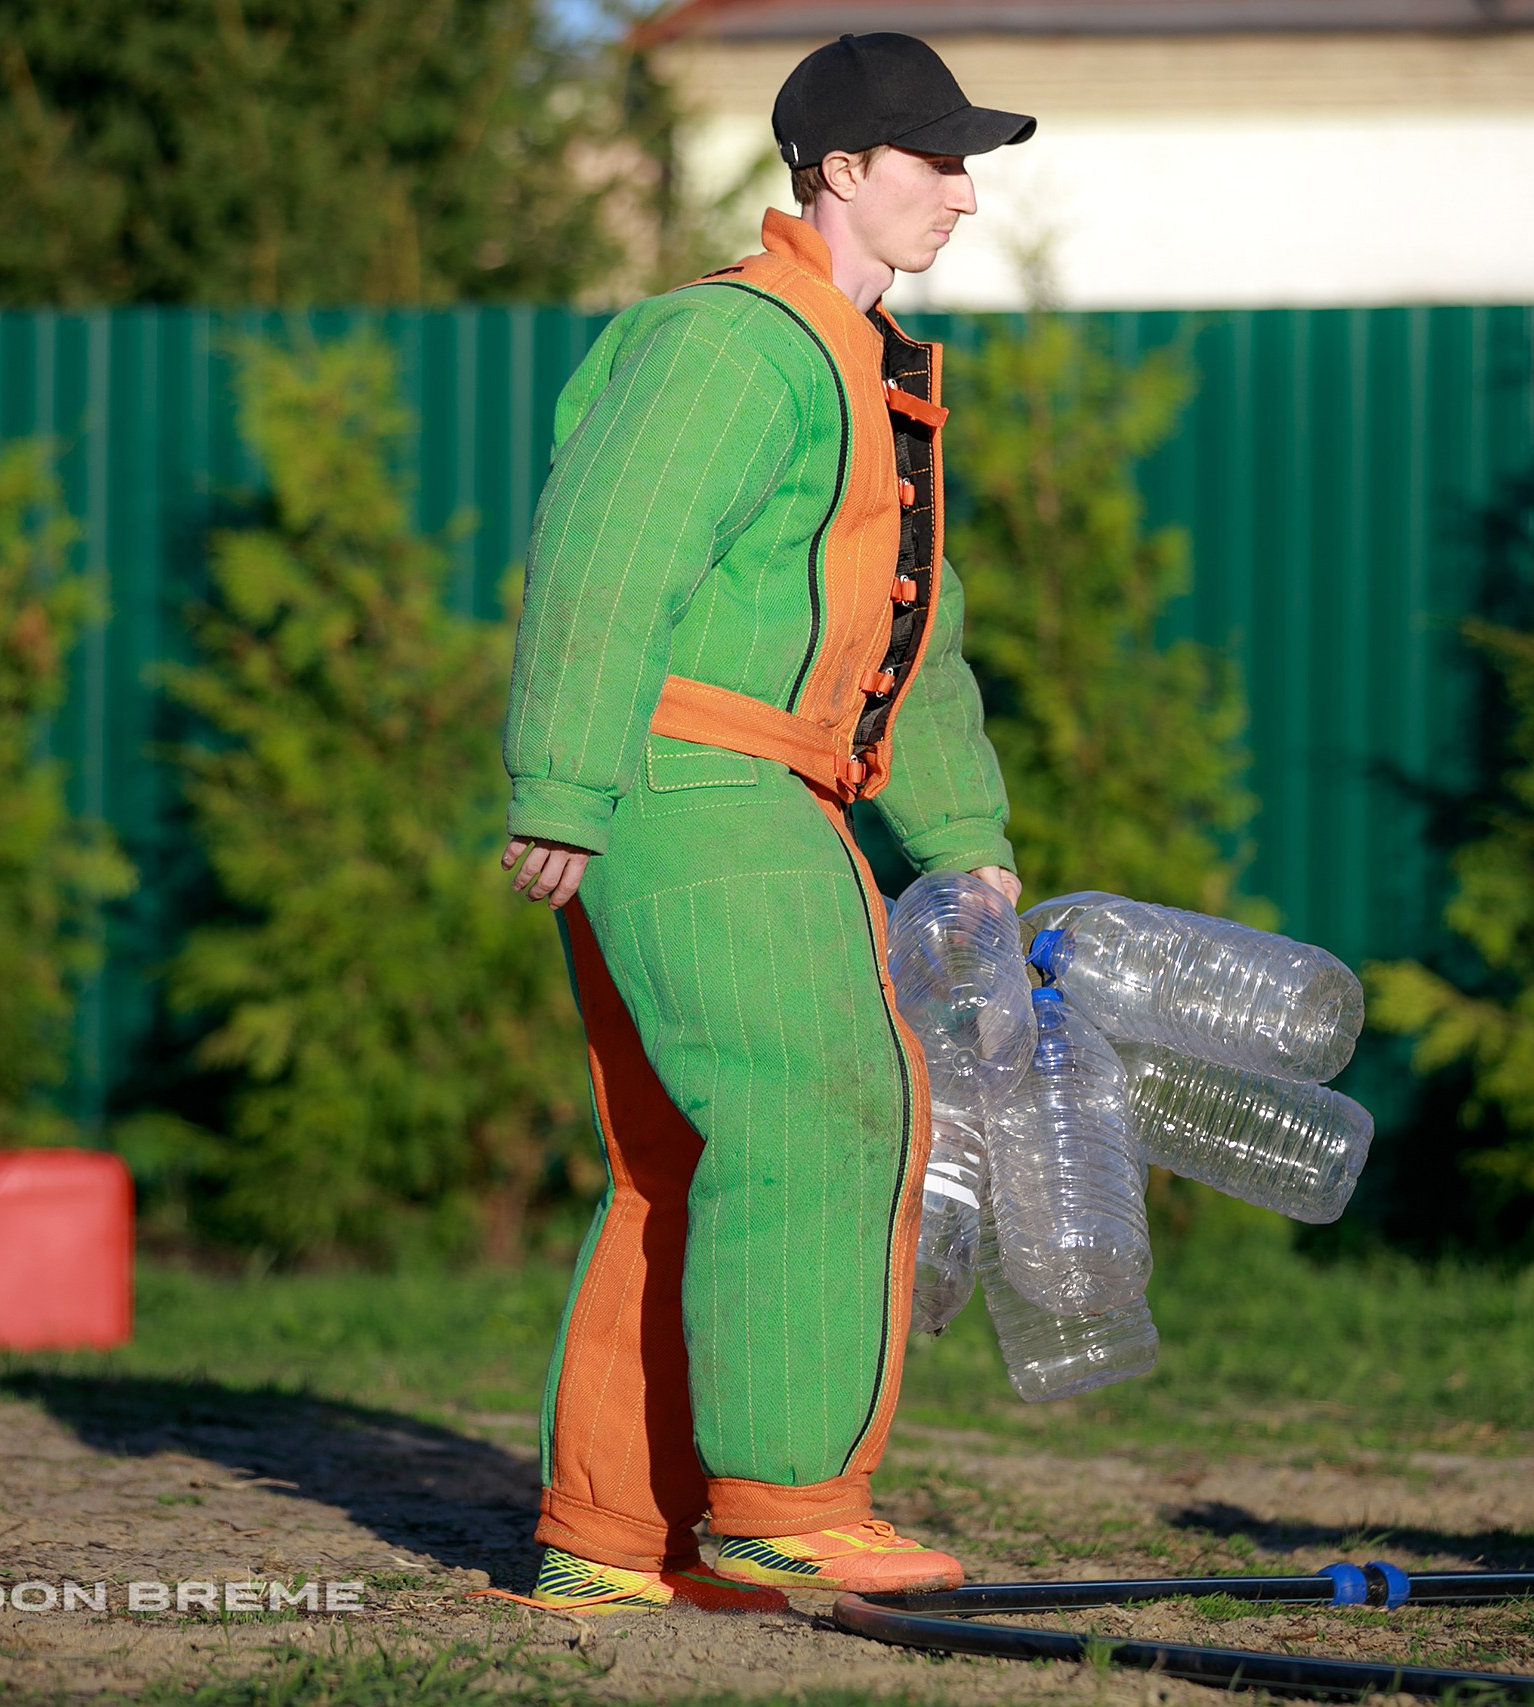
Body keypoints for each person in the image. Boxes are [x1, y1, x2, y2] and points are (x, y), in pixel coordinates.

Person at [491, 33, 1033, 1615]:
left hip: (752, 775)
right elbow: (607, 550)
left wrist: (963, 836)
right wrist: (563, 785)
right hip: (692, 773)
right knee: (826, 1104)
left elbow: (905, 630)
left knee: (684, 1156)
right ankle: (787, 1504)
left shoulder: (860, 366)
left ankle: (615, 1540)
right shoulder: (732, 343)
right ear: (841, 171)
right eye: (936, 159)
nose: (965, 193)